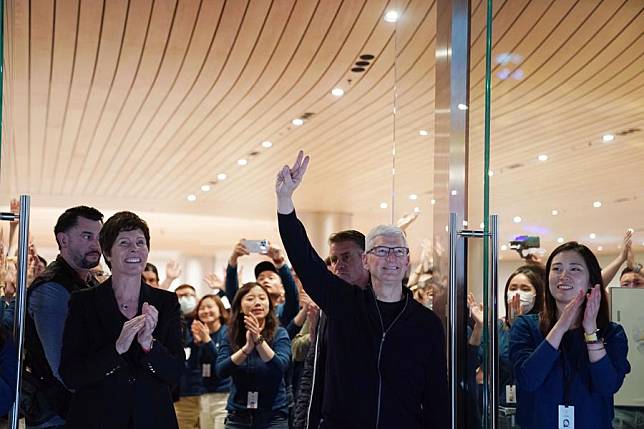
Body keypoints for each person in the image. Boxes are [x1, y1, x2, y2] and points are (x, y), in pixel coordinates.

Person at [276, 151, 448, 428]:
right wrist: (285, 201)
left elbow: (437, 397)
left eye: (398, 251)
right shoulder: (343, 304)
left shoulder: (425, 323)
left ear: (406, 261)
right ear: (367, 260)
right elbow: (305, 261)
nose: (390, 258)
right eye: (381, 250)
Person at [59, 211, 184, 429]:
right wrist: (116, 349)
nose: (134, 248)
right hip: (96, 419)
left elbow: (175, 372)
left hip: (152, 419)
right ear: (107, 252)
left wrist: (149, 345)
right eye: (124, 243)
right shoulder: (84, 303)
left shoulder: (166, 302)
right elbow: (71, 375)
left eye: (140, 242)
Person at [510, 241, 631, 428]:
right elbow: (528, 379)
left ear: (591, 280)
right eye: (556, 268)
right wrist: (561, 325)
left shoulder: (612, 333)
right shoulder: (525, 326)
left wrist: (590, 332)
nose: (563, 276)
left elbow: (607, 385)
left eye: (575, 269)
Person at [24, 205, 103, 428]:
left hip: (79, 408)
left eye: (99, 237)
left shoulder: (89, 283)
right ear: (63, 239)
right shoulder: (51, 288)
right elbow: (61, 367)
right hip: (56, 413)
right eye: (87, 236)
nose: (96, 245)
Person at [292, 229, 370, 429]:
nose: (338, 265)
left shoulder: (382, 305)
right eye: (334, 260)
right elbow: (313, 366)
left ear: (366, 259)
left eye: (346, 257)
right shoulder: (328, 308)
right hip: (331, 416)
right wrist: (303, 421)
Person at [216, 283, 291, 429]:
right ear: (240, 306)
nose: (257, 302)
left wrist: (258, 340)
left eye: (262, 298)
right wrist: (246, 349)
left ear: (269, 304)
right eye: (250, 298)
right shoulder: (229, 334)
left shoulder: (280, 333)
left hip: (273, 417)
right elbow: (221, 371)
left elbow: (279, 368)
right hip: (238, 416)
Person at [177, 294, 231, 429]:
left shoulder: (227, 332)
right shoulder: (198, 333)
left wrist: (207, 340)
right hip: (204, 393)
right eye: (202, 308)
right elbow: (193, 365)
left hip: (223, 394)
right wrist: (197, 343)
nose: (206, 311)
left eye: (210, 307)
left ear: (220, 310)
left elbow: (222, 365)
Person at [225, 241, 299, 329]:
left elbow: (292, 294)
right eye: (261, 278)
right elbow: (234, 296)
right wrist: (234, 258)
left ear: (282, 288)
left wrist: (279, 262)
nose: (265, 281)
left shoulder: (285, 311)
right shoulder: (250, 308)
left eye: (271, 278)